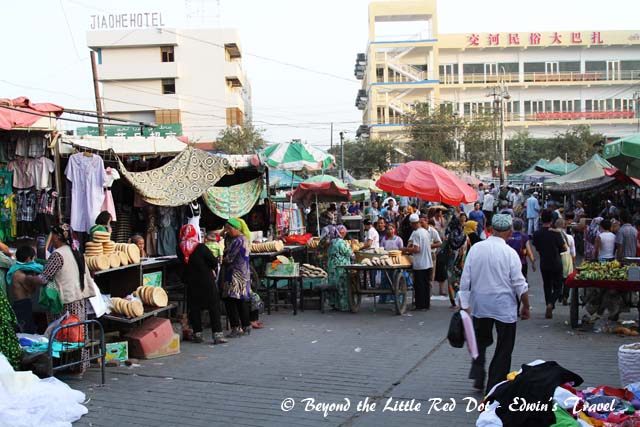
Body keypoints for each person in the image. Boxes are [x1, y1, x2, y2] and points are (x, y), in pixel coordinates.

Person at [459, 214, 530, 393]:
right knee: (504, 347)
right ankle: (495, 384)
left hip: (480, 305)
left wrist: (464, 304)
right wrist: (526, 306)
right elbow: (519, 283)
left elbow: (465, 278)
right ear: (508, 232)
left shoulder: (476, 249)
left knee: (480, 341)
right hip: (504, 307)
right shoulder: (510, 253)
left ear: (490, 230)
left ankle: (478, 372)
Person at [27, 224, 97, 378]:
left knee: (63, 335)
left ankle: (61, 366)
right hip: (78, 298)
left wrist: (29, 279)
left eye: (52, 236)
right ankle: (79, 366)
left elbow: (44, 278)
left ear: (57, 237)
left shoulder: (58, 255)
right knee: (77, 333)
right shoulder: (76, 251)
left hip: (65, 302)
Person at [177, 224, 226, 344]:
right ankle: (217, 335)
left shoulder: (180, 248)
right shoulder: (201, 247)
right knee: (213, 306)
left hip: (190, 281)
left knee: (194, 308)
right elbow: (214, 262)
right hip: (206, 280)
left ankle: (197, 334)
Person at [533, 210, 567, 319]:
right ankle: (551, 303)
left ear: (541, 220)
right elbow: (565, 248)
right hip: (556, 262)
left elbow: (537, 248)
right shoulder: (556, 233)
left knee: (547, 285)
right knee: (558, 286)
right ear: (552, 220)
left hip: (544, 262)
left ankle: (548, 302)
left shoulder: (537, 234)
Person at [221, 218, 252, 338]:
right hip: (244, 273)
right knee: (240, 300)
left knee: (230, 300)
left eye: (228, 229)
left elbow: (229, 258)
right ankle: (246, 325)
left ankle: (236, 327)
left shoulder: (238, 241)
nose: (227, 231)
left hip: (235, 275)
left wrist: (220, 259)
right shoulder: (245, 239)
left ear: (234, 228)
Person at [8, 246, 43, 333]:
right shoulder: (19, 274)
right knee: (26, 330)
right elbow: (31, 290)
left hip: (22, 304)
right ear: (28, 259)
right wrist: (34, 278)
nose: (34, 261)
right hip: (22, 305)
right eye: (33, 259)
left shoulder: (18, 271)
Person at [402, 214, 433, 310]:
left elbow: (416, 249)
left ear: (412, 224)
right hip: (428, 262)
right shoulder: (425, 232)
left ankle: (420, 305)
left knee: (419, 286)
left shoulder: (416, 233)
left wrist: (405, 249)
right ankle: (426, 305)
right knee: (426, 285)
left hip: (420, 263)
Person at [442, 216, 469, 307]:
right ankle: (458, 300)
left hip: (453, 261)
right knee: (458, 280)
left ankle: (454, 301)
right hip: (459, 261)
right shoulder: (462, 234)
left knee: (452, 280)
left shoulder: (450, 234)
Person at [326, 225, 353, 311]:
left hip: (331, 267)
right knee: (342, 286)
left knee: (334, 285)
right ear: (341, 232)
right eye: (344, 231)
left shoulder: (331, 242)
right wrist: (352, 246)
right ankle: (343, 306)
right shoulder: (341, 242)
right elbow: (349, 253)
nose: (345, 233)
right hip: (340, 268)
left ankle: (334, 304)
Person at [379, 224, 404, 304]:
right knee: (384, 280)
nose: (389, 231)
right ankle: (383, 299)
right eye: (388, 229)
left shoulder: (398, 239)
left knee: (396, 280)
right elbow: (381, 250)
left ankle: (397, 298)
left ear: (394, 229)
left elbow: (401, 250)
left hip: (396, 262)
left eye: (391, 229)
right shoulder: (384, 239)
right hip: (386, 262)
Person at [554, 219, 576, 306]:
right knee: (567, 279)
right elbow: (573, 252)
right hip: (567, 258)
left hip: (557, 257)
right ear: (565, 226)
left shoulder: (554, 236)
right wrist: (573, 262)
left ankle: (559, 295)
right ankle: (565, 296)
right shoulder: (569, 237)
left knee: (558, 278)